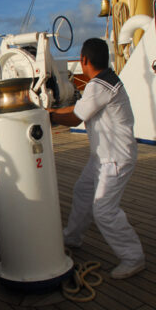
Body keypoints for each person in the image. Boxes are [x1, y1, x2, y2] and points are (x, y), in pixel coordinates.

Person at [49, 38, 145, 279]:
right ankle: (72, 237)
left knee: (104, 210)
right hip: (103, 157)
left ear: (84, 60)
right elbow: (79, 109)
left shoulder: (98, 85)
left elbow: (75, 118)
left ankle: (133, 258)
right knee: (83, 190)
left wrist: (48, 116)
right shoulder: (105, 80)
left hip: (114, 158)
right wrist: (50, 111)